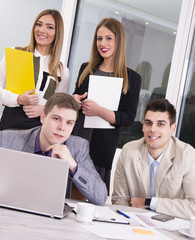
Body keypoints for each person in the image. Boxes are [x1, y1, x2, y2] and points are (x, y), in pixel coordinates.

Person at [0, 93, 107, 206]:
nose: (62, 128)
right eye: (56, 119)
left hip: (50, 219)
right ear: (43, 118)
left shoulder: (77, 147)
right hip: (8, 210)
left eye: (69, 123)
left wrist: (73, 165)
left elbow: (100, 196)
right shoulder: (8, 139)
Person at [71, 18, 141, 192]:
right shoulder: (86, 69)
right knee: (67, 193)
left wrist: (99, 111)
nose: (102, 43)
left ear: (119, 41)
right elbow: (75, 101)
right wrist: (74, 99)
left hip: (102, 147)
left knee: (92, 195)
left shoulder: (132, 78)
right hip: (77, 138)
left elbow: (127, 118)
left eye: (108, 38)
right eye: (99, 38)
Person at [112, 98, 195, 219]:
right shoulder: (129, 151)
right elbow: (119, 200)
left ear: (172, 128)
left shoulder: (186, 155)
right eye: (148, 123)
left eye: (160, 124)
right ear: (143, 126)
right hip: (135, 225)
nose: (153, 129)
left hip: (172, 228)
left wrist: (149, 203)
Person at [0, 9, 69, 132]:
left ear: (57, 33)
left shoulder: (62, 70)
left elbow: (59, 107)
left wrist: (44, 109)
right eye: (39, 24)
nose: (42, 30)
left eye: (50, 27)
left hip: (40, 129)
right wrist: (18, 99)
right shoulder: (16, 54)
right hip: (11, 122)